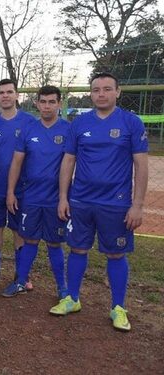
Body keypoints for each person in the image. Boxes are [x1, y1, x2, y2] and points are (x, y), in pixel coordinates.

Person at [50, 73, 148, 332]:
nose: (101, 94)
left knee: (116, 253)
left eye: (106, 89)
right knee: (77, 249)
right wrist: (63, 197)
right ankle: (72, 298)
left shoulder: (131, 122)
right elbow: (68, 161)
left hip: (115, 203)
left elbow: (141, 165)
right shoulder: (79, 123)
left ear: (118, 92)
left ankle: (118, 307)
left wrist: (137, 205)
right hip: (80, 200)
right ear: (91, 93)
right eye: (96, 90)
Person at [2, 86, 69, 298]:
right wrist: (11, 192)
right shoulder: (29, 129)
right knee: (29, 239)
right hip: (30, 196)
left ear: (59, 104)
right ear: (37, 103)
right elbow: (16, 162)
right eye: (43, 102)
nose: (47, 106)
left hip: (56, 199)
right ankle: (21, 281)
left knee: (54, 242)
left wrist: (65, 198)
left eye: (52, 102)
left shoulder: (68, 130)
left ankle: (62, 288)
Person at [0, 79, 36, 286]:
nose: (5, 95)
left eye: (9, 92)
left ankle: (22, 274)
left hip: (22, 187)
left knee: (19, 231)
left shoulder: (29, 122)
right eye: (1, 92)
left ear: (17, 95)